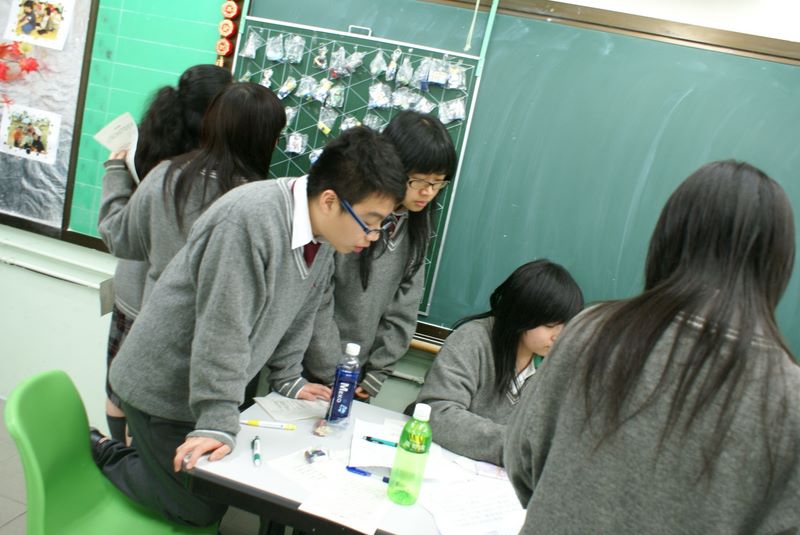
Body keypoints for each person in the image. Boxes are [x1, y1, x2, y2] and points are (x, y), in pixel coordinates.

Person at [92, 126, 408, 527]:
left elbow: (302, 310)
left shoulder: (324, 234)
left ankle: (143, 462)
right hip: (161, 386)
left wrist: (288, 378)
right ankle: (99, 452)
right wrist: (217, 423)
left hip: (196, 390)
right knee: (199, 508)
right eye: (370, 222)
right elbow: (222, 328)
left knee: (214, 492)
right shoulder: (251, 218)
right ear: (330, 200)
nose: (374, 236)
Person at [505, 160, 800, 534]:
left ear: (669, 239)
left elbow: (522, 457)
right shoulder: (790, 399)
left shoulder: (591, 331)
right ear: (776, 264)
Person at [273, 111, 457, 400]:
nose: (428, 193)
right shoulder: (346, 218)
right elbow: (318, 298)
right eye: (420, 181)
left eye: (438, 183)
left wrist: (377, 371)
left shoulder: (415, 228)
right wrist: (334, 370)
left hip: (357, 374)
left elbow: (404, 308)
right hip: (308, 365)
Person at [97, 64, 232, 442]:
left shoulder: (156, 154)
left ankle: (116, 458)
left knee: (120, 393)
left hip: (133, 299)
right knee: (144, 409)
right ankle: (124, 464)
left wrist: (116, 169)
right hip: (167, 311)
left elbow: (116, 231)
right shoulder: (215, 177)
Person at [415, 259, 583, 465]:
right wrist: (516, 447)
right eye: (550, 325)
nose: (559, 336)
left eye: (566, 325)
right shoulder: (472, 340)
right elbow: (438, 413)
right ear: (523, 314)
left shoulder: (556, 364)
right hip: (439, 464)